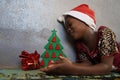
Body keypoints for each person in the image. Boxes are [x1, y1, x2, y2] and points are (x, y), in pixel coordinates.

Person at [40, 4, 120, 75]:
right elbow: (87, 64)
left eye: (70, 25)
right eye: (66, 28)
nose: (68, 30)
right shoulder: (80, 44)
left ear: (85, 21)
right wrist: (66, 65)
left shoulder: (104, 33)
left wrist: (71, 69)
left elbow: (106, 67)